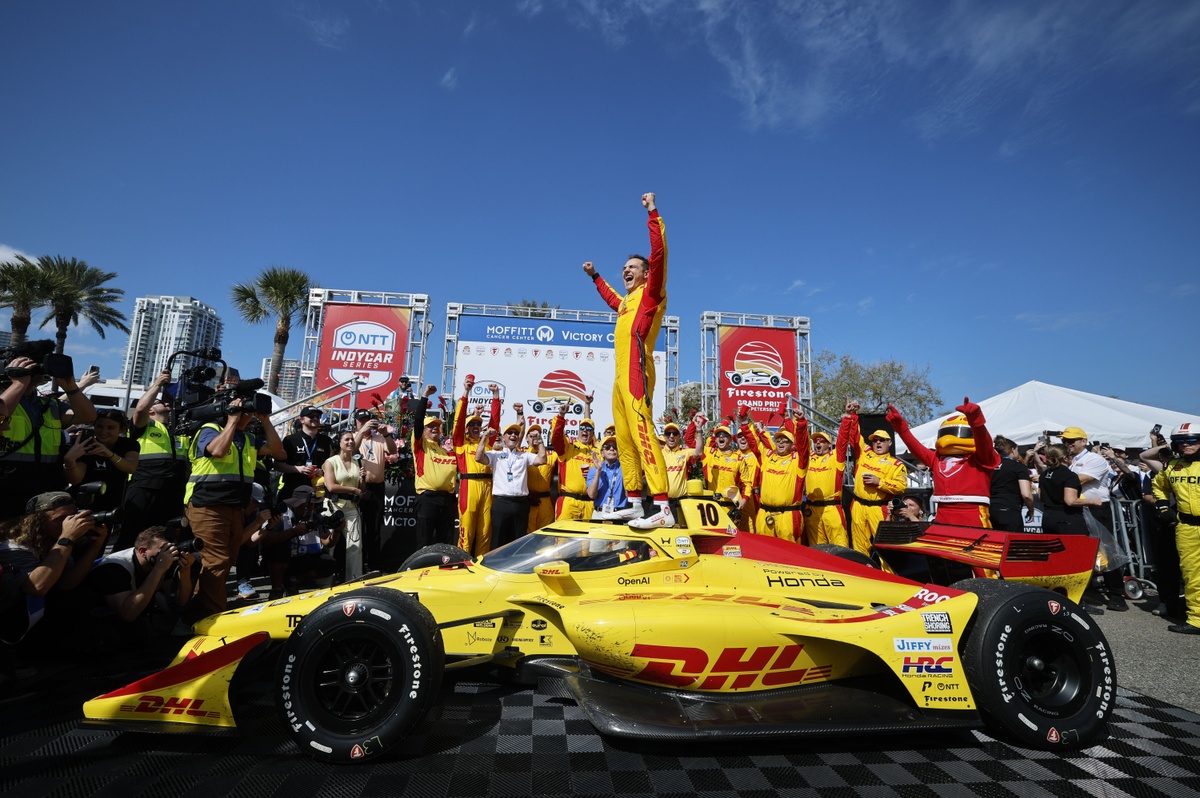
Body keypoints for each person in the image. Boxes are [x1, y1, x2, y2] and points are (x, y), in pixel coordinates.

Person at [583, 192, 673, 529]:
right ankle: (634, 502)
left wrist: (652, 213)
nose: (626, 271)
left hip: (637, 371)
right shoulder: (626, 302)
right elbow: (612, 297)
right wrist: (596, 277)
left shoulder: (652, 294)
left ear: (647, 274)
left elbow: (659, 255)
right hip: (620, 377)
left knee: (642, 433)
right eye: (624, 269)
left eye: (632, 268)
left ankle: (662, 507)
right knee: (624, 437)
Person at [184, 395, 285, 620]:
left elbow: (278, 451)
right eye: (246, 410)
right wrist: (231, 421)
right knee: (217, 560)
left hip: (235, 507)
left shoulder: (248, 438)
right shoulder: (209, 429)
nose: (248, 414)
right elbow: (217, 451)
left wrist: (265, 420)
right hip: (207, 505)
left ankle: (194, 615)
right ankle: (213, 617)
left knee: (226, 560)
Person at [0, 342, 97, 519]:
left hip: (45, 485)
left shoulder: (49, 404)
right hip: (7, 484)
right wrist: (19, 383)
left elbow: (88, 417)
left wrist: (71, 387)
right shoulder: (3, 397)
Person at [0, 491, 107, 645]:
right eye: (60, 519)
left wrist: (96, 545)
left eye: (72, 517)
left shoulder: (53, 538)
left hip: (34, 610)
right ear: (37, 521)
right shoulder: (13, 545)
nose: (69, 524)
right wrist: (66, 539)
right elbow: (36, 587)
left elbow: (67, 583)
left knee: (85, 596)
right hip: (10, 613)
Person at [887, 398, 1000, 528]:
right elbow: (917, 449)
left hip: (972, 514)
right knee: (939, 541)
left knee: (975, 541)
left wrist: (977, 423)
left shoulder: (981, 458)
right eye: (945, 433)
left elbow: (984, 443)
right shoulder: (937, 458)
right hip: (942, 513)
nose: (949, 438)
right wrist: (902, 429)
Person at [118, 369, 190, 548]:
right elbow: (140, 409)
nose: (165, 402)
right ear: (151, 409)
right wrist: (158, 384)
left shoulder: (180, 429)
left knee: (164, 539)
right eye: (159, 401)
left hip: (173, 491)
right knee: (132, 536)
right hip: (145, 486)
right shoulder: (144, 425)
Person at [1060, 426, 1128, 611]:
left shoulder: (1095, 459)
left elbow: (1079, 480)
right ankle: (1079, 593)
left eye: (1071, 440)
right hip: (1076, 507)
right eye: (1065, 441)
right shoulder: (1070, 460)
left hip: (1095, 508)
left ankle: (1117, 594)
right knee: (1078, 551)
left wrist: (1053, 478)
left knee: (1106, 551)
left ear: (1084, 441)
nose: (1067, 444)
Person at [85, 526, 194, 639]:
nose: (170, 552)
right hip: (93, 615)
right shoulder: (116, 567)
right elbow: (128, 615)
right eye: (164, 548)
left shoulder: (162, 559)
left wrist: (185, 571)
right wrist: (158, 569)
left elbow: (180, 602)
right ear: (142, 551)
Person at [844, 401, 908, 562]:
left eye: (882, 440)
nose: (878, 443)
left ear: (889, 442)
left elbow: (901, 486)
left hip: (879, 508)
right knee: (859, 546)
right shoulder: (865, 453)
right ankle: (862, 573)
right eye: (875, 440)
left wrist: (879, 482)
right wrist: (852, 415)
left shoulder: (896, 464)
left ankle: (888, 574)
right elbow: (854, 436)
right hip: (858, 505)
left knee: (884, 547)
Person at [1152, 421, 1200, 635]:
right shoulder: (1172, 466)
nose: (1185, 445)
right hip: (1186, 527)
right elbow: (1158, 486)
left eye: (1192, 441)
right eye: (1180, 441)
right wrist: (1163, 508)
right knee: (1192, 575)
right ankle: (1197, 620)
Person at [476, 422, 547, 548]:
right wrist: (485, 437)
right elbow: (478, 457)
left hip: (521, 504)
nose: (513, 435)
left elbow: (542, 459)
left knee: (519, 544)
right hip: (501, 504)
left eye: (516, 433)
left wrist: (540, 440)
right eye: (510, 433)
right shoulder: (495, 454)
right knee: (498, 541)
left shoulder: (524, 456)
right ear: (503, 437)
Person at [743, 410, 809, 542]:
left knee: (789, 553)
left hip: (788, 516)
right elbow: (754, 443)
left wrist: (801, 423)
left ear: (792, 444)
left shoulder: (798, 461)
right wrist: (744, 422)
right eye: (778, 440)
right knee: (763, 551)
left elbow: (803, 445)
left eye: (785, 441)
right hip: (764, 514)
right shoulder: (767, 457)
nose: (780, 443)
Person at [453, 377, 501, 556]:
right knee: (466, 530)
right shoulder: (460, 443)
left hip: (488, 487)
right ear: (466, 429)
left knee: (485, 531)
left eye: (478, 424)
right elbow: (458, 421)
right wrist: (466, 392)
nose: (475, 426)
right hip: (469, 486)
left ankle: (481, 563)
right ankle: (461, 562)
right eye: (471, 424)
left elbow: (495, 422)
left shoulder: (486, 443)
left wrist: (495, 396)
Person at [63, 407, 140, 514]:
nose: (104, 432)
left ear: (121, 429)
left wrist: (109, 454)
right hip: (83, 502)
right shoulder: (85, 445)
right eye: (99, 426)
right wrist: (70, 460)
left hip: (113, 503)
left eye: (111, 428)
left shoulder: (129, 444)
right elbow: (75, 480)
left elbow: (130, 468)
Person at [411, 385, 458, 549]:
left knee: (446, 544)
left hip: (446, 500)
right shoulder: (420, 445)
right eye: (430, 426)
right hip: (427, 499)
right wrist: (425, 396)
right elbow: (418, 421)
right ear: (423, 431)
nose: (434, 428)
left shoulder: (445, 451)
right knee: (424, 542)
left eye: (437, 425)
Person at [353, 408, 396, 572]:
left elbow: (393, 451)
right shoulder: (352, 437)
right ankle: (358, 563)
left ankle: (373, 564)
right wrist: (362, 431)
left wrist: (386, 435)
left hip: (377, 487)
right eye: (361, 421)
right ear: (356, 422)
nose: (365, 423)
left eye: (367, 420)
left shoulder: (378, 438)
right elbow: (352, 450)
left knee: (375, 528)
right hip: (358, 487)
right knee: (357, 527)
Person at [802, 418, 853, 548]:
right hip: (812, 509)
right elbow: (801, 442)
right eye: (815, 441)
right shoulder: (808, 458)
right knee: (816, 548)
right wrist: (799, 421)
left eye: (822, 441)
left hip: (832, 508)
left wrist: (847, 417)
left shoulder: (835, 457)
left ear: (829, 444)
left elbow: (842, 440)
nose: (818, 443)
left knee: (840, 546)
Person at [323, 430, 363, 580]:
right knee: (329, 545)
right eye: (346, 439)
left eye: (352, 439)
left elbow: (362, 489)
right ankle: (325, 580)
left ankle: (354, 579)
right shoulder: (330, 462)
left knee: (355, 545)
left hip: (352, 506)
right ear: (339, 443)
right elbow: (331, 486)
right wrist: (352, 489)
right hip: (333, 505)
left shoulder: (358, 461)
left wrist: (363, 479)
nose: (350, 442)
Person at [1039, 444, 1104, 536]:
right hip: (1067, 519)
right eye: (1071, 455)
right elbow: (1070, 501)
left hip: (1048, 518)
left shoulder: (1044, 474)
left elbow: (1041, 497)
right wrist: (1092, 501)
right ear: (1065, 458)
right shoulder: (1069, 476)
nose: (1072, 458)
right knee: (1078, 545)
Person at [276, 406, 334, 502]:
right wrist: (298, 469)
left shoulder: (326, 441)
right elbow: (277, 465)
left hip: (318, 490)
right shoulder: (290, 440)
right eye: (311, 416)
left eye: (318, 416)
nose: (315, 418)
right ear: (301, 420)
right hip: (293, 488)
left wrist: (322, 471)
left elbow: (333, 465)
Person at [551, 410, 600, 521]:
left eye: (589, 429)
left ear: (593, 433)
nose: (585, 430)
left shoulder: (599, 452)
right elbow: (556, 437)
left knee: (588, 533)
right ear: (578, 431)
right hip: (569, 501)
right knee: (563, 532)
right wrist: (561, 416)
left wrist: (594, 474)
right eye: (582, 428)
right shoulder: (568, 447)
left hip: (590, 503)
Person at [990, 436, 1036, 533]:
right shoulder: (1019, 467)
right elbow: (1026, 494)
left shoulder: (990, 466)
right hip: (1009, 509)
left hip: (991, 509)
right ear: (1013, 450)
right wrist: (1031, 509)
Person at [524, 423, 557, 534]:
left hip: (545, 501)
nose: (534, 437)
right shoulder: (522, 454)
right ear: (526, 439)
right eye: (531, 435)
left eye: (537, 435)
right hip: (529, 501)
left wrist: (540, 439)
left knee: (546, 536)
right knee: (528, 535)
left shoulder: (551, 455)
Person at [587, 436, 629, 517]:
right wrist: (598, 471)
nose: (612, 449)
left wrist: (626, 470)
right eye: (607, 447)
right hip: (599, 513)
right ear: (602, 453)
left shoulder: (625, 469)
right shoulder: (594, 469)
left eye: (615, 446)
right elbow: (591, 495)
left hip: (620, 513)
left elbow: (628, 495)